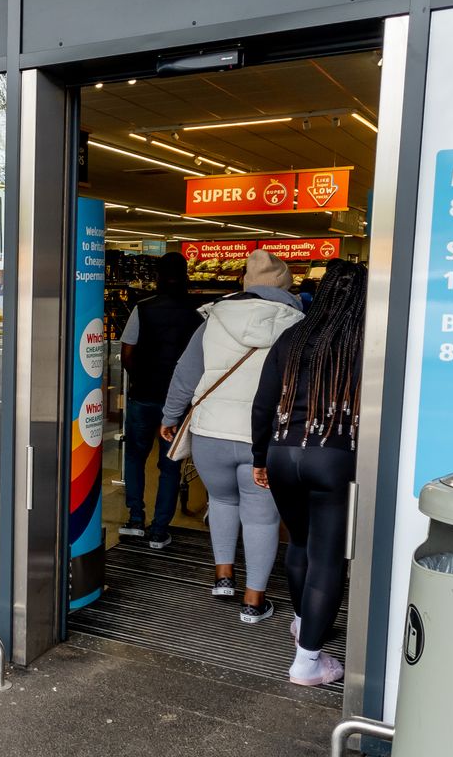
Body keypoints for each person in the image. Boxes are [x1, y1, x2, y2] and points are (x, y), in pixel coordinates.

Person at [160, 249, 304, 624]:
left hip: (211, 432)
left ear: (244, 283)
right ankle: (254, 601)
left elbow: (186, 373)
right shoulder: (298, 324)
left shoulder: (215, 317)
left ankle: (223, 577)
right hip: (263, 438)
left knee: (222, 502)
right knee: (261, 518)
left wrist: (170, 415)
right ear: (287, 287)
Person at [251, 260, 367, 686]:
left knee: (298, 542)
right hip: (333, 456)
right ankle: (307, 661)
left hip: (283, 453)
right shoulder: (363, 341)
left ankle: (303, 624)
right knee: (327, 557)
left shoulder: (292, 337)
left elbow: (263, 404)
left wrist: (259, 457)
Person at [117, 252, 203, 548]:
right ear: (186, 275)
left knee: (135, 456)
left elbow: (127, 353)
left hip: (144, 395)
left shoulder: (142, 309)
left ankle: (135, 519)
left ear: (156, 276)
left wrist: (140, 378)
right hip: (178, 401)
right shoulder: (198, 314)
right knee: (170, 465)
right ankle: (159, 530)